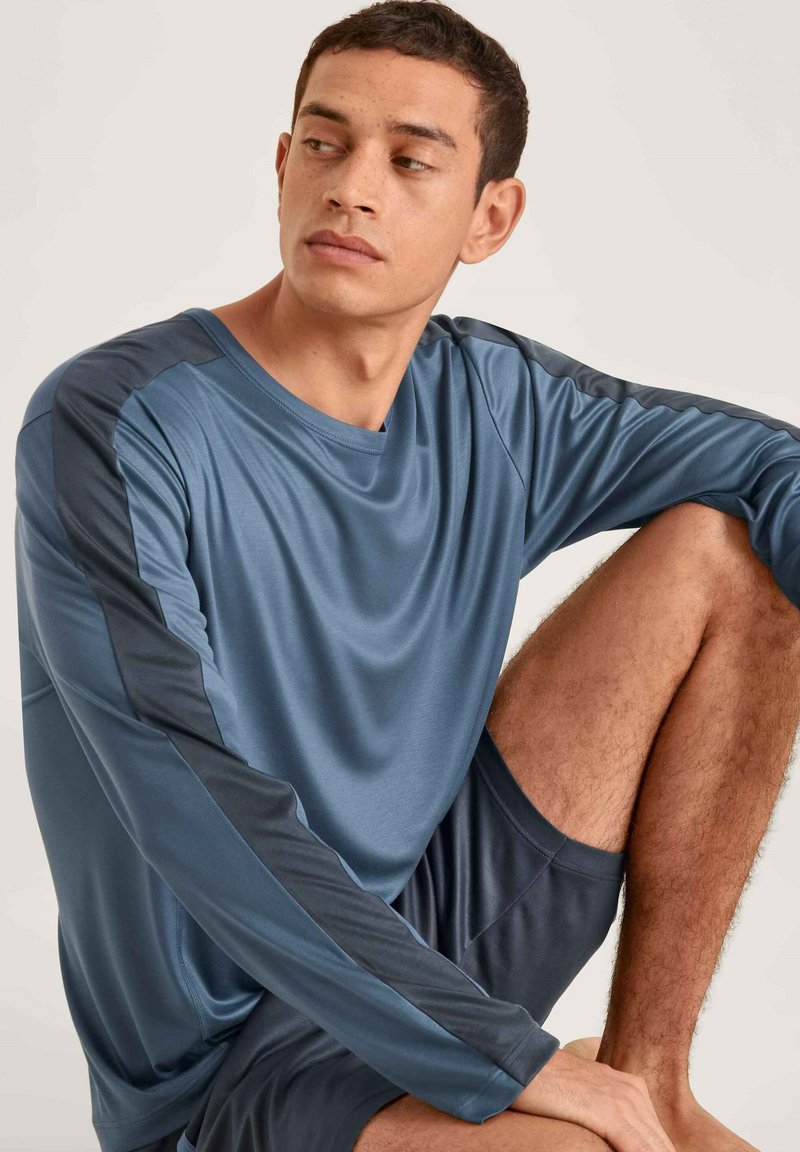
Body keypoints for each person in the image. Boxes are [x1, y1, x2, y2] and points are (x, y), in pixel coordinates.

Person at [14, 2, 800, 1150]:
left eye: (408, 160)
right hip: (230, 1062)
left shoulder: (495, 405)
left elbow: (773, 468)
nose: (350, 188)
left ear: (489, 218)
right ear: (281, 165)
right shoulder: (115, 423)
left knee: (724, 550)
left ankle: (653, 1078)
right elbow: (191, 799)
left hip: (436, 932)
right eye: (323, 144)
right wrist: (507, 1058)